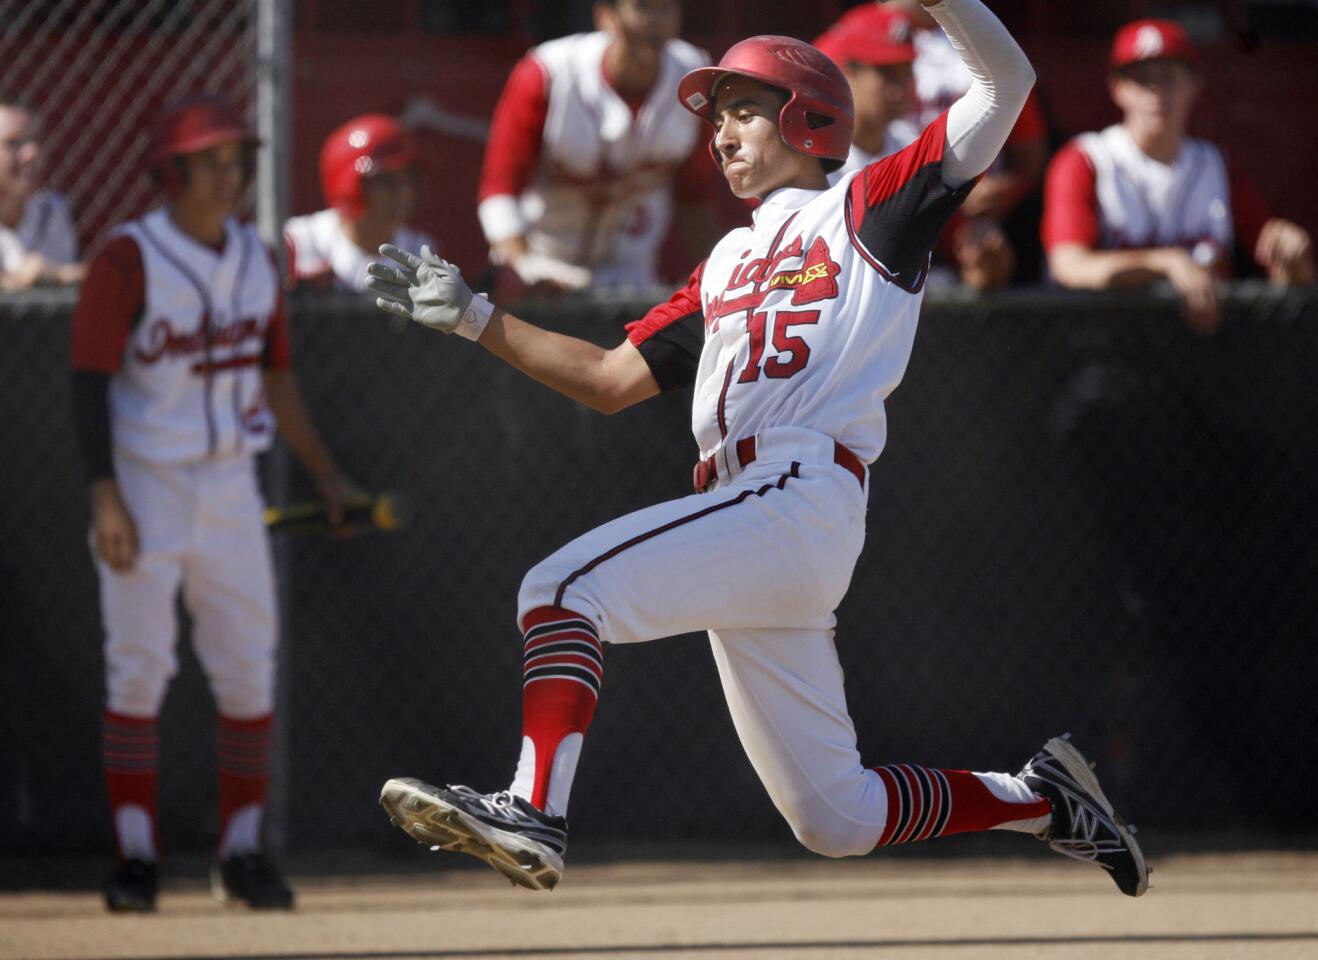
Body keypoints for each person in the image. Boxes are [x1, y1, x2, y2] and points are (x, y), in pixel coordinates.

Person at [368, 0, 1148, 899]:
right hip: (761, 521)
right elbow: (609, 378)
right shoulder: (727, 262)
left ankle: (532, 809)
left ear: (808, 118)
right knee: (837, 818)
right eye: (717, 114)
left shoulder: (870, 206)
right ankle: (1042, 800)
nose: (721, 132)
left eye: (742, 108)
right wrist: (475, 319)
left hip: (796, 488)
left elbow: (1004, 83)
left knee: (558, 590)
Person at [71, 96, 354, 913]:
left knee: (245, 669)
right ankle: (134, 856)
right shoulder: (128, 258)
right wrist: (105, 496)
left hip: (232, 485)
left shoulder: (257, 258)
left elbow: (277, 377)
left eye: (238, 160)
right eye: (212, 160)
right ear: (172, 171)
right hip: (145, 483)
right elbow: (87, 382)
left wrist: (326, 474)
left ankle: (239, 853)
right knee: (137, 670)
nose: (230, 175)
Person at [1043, 19, 1317, 334]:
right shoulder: (1086, 159)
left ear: (1194, 83)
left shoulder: (1214, 165)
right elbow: (1069, 267)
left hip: (1198, 347)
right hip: (1104, 346)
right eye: (1142, 80)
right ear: (1117, 89)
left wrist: (1294, 254)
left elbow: (1284, 274)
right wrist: (1167, 263)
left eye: (1168, 77)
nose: (1156, 93)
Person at [476, 0, 713, 293]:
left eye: (667, 8)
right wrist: (521, 267)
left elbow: (694, 198)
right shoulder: (550, 72)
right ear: (606, 17)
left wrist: (717, 275)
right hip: (545, 265)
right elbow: (499, 189)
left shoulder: (693, 78)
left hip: (631, 275)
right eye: (643, 7)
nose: (657, 20)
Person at [816, 2, 1013, 290]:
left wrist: (981, 264)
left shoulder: (911, 146)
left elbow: (956, 246)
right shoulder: (812, 155)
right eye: (886, 73)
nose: (900, 87)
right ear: (849, 72)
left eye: (906, 71)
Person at [889, 0, 1049, 282]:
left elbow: (1030, 154)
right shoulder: (860, 32)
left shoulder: (982, 27)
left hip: (979, 216)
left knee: (989, 263)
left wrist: (1002, 189)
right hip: (894, 205)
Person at [285, 113, 436, 292]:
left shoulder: (420, 251)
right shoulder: (302, 241)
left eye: (408, 179)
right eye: (385, 180)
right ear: (347, 186)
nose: (401, 194)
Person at [0, 97, 84, 291]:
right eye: (13, 143)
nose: (31, 153)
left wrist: (51, 273)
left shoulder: (51, 209)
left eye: (35, 141)